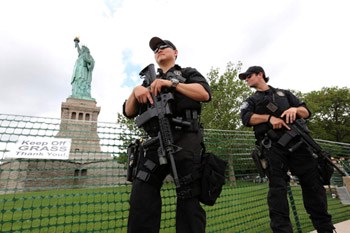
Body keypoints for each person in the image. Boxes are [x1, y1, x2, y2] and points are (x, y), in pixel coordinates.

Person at [123, 37, 211, 233]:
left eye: (164, 47)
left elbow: (204, 94)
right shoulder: (147, 80)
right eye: (155, 49)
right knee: (141, 197)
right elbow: (129, 112)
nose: (159, 50)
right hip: (154, 143)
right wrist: (135, 90)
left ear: (176, 52)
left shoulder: (187, 73)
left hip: (185, 140)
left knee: (188, 199)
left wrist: (171, 84)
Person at [239, 66, 335, 233]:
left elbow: (305, 111)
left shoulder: (285, 94)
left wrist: (295, 109)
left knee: (313, 186)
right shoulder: (252, 100)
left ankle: (325, 228)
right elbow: (246, 118)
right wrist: (268, 118)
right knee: (277, 191)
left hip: (299, 145)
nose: (246, 79)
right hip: (273, 149)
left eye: (248, 76)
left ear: (260, 74)